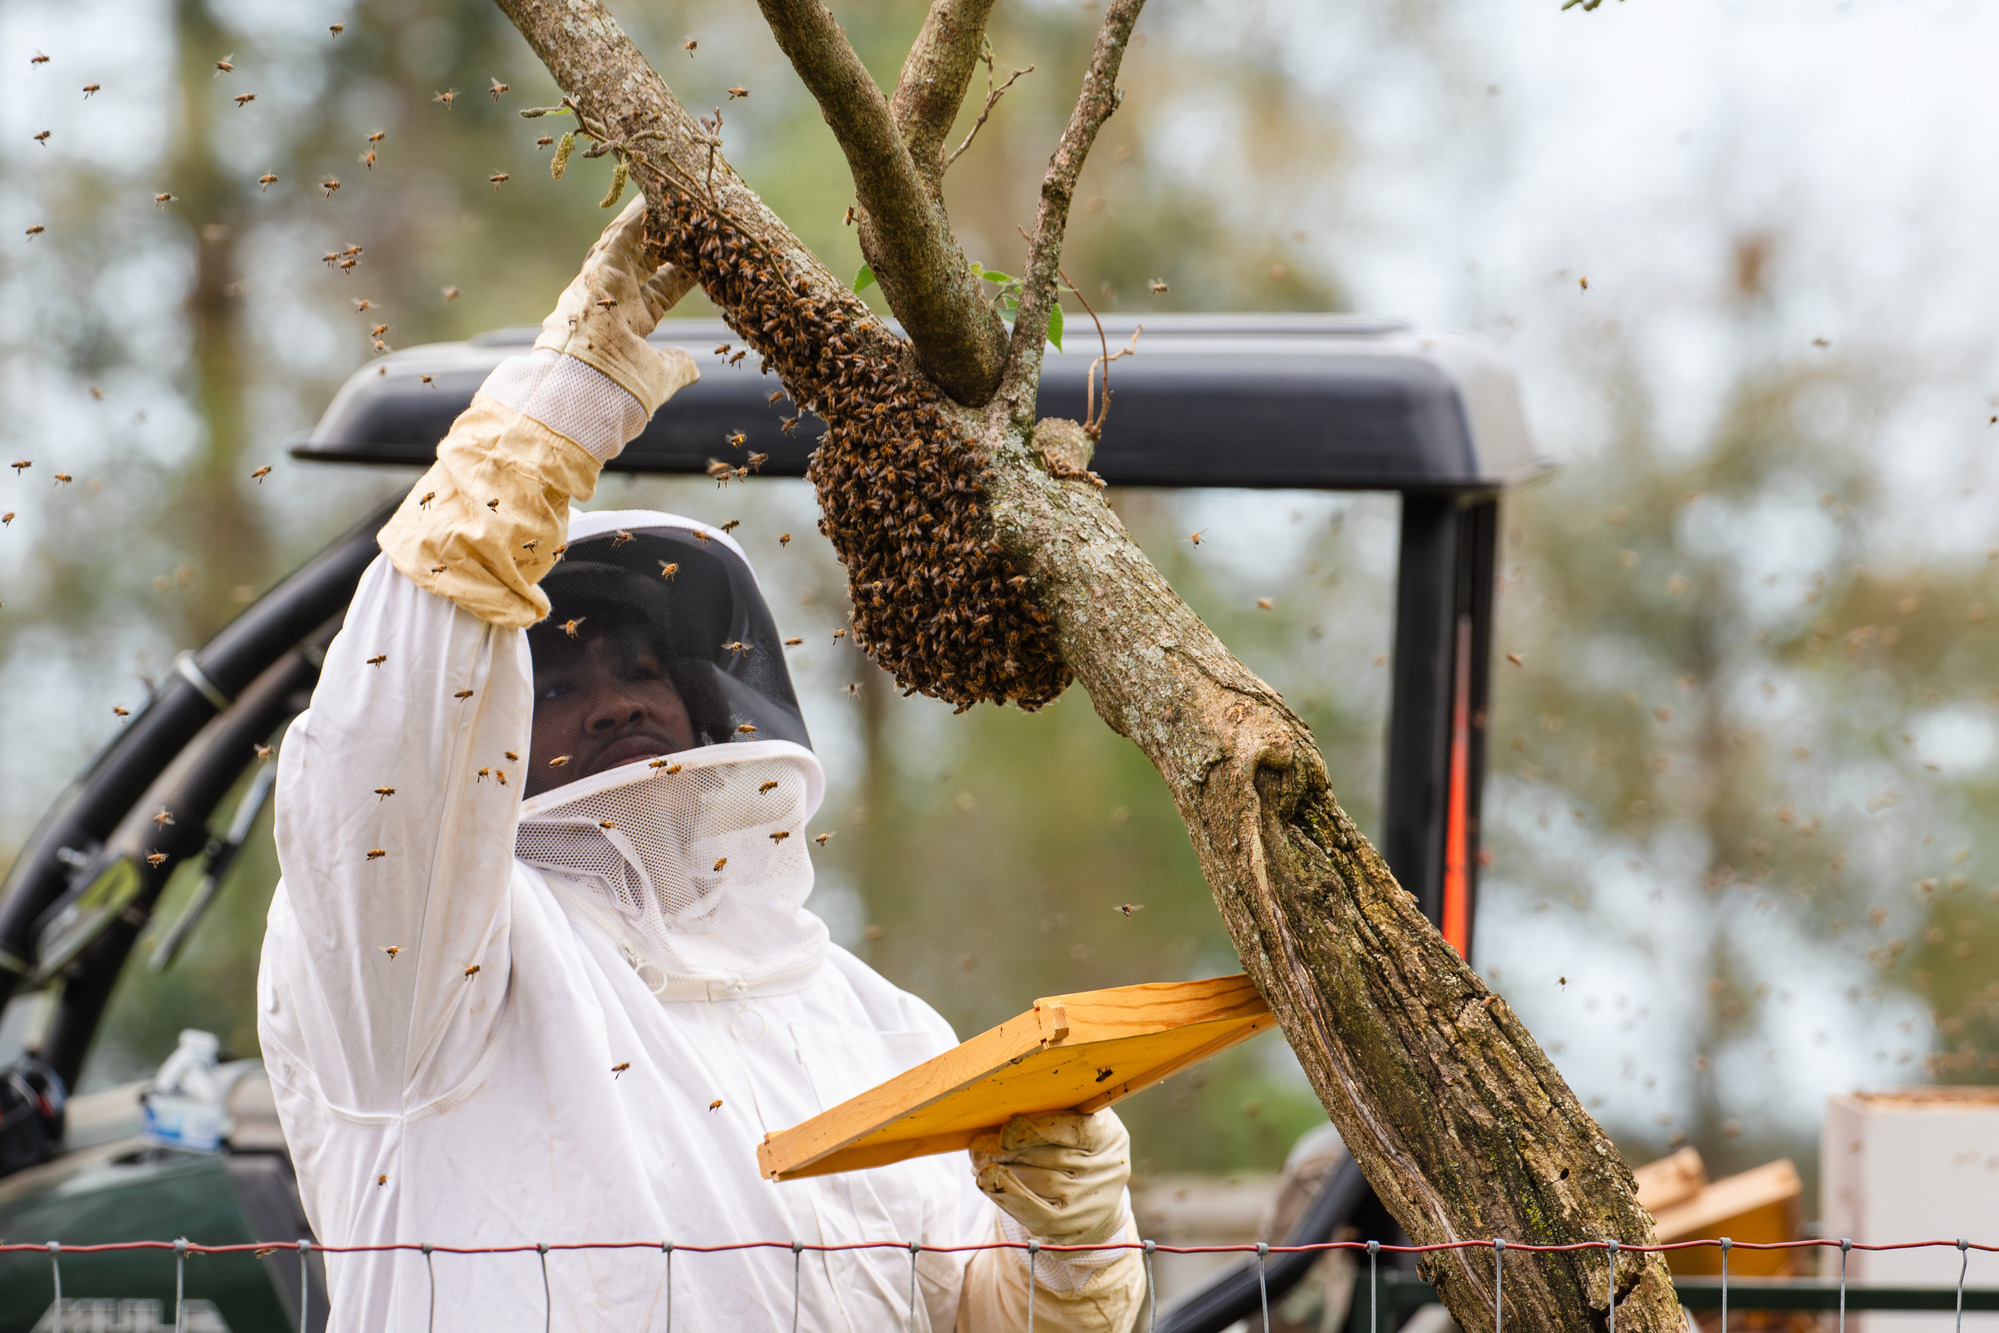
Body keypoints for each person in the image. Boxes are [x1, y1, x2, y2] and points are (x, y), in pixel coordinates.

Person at [258, 200, 1146, 1331]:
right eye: (557, 684)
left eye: (640, 666)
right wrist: (556, 409)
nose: (618, 700)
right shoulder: (425, 971)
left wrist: (1068, 1245)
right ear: (484, 732)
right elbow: (383, 748)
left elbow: (965, 1308)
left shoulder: (866, 1019)